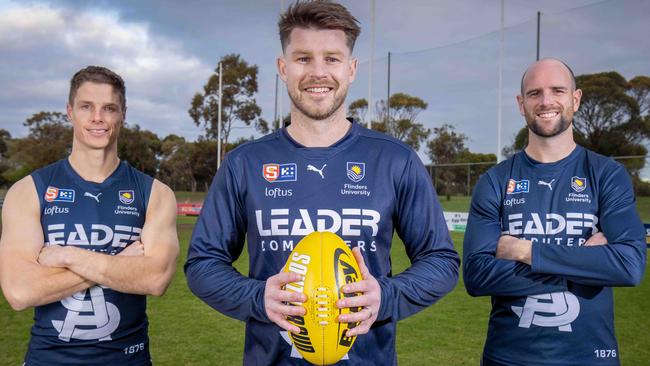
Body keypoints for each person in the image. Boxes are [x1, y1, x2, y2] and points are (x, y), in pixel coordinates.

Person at [184, 1, 459, 365]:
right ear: (283, 68)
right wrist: (256, 297)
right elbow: (203, 263)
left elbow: (440, 260)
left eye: (331, 58)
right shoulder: (245, 163)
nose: (318, 72)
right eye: (303, 59)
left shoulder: (395, 160)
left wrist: (385, 296)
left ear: (351, 69)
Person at [463, 58, 647, 365]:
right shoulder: (495, 181)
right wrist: (587, 266)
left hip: (590, 357)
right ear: (521, 104)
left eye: (557, 90)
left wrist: (526, 250)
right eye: (534, 93)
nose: (546, 101)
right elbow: (477, 276)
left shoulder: (607, 175)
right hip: (509, 358)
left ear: (575, 99)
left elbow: (629, 266)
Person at [0, 66, 179, 365]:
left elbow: (156, 279)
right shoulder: (29, 190)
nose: (98, 117)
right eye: (87, 107)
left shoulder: (156, 193)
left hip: (127, 359)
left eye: (109, 108)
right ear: (70, 112)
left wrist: (66, 255)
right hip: (48, 359)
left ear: (122, 114)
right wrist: (121, 264)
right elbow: (20, 291)